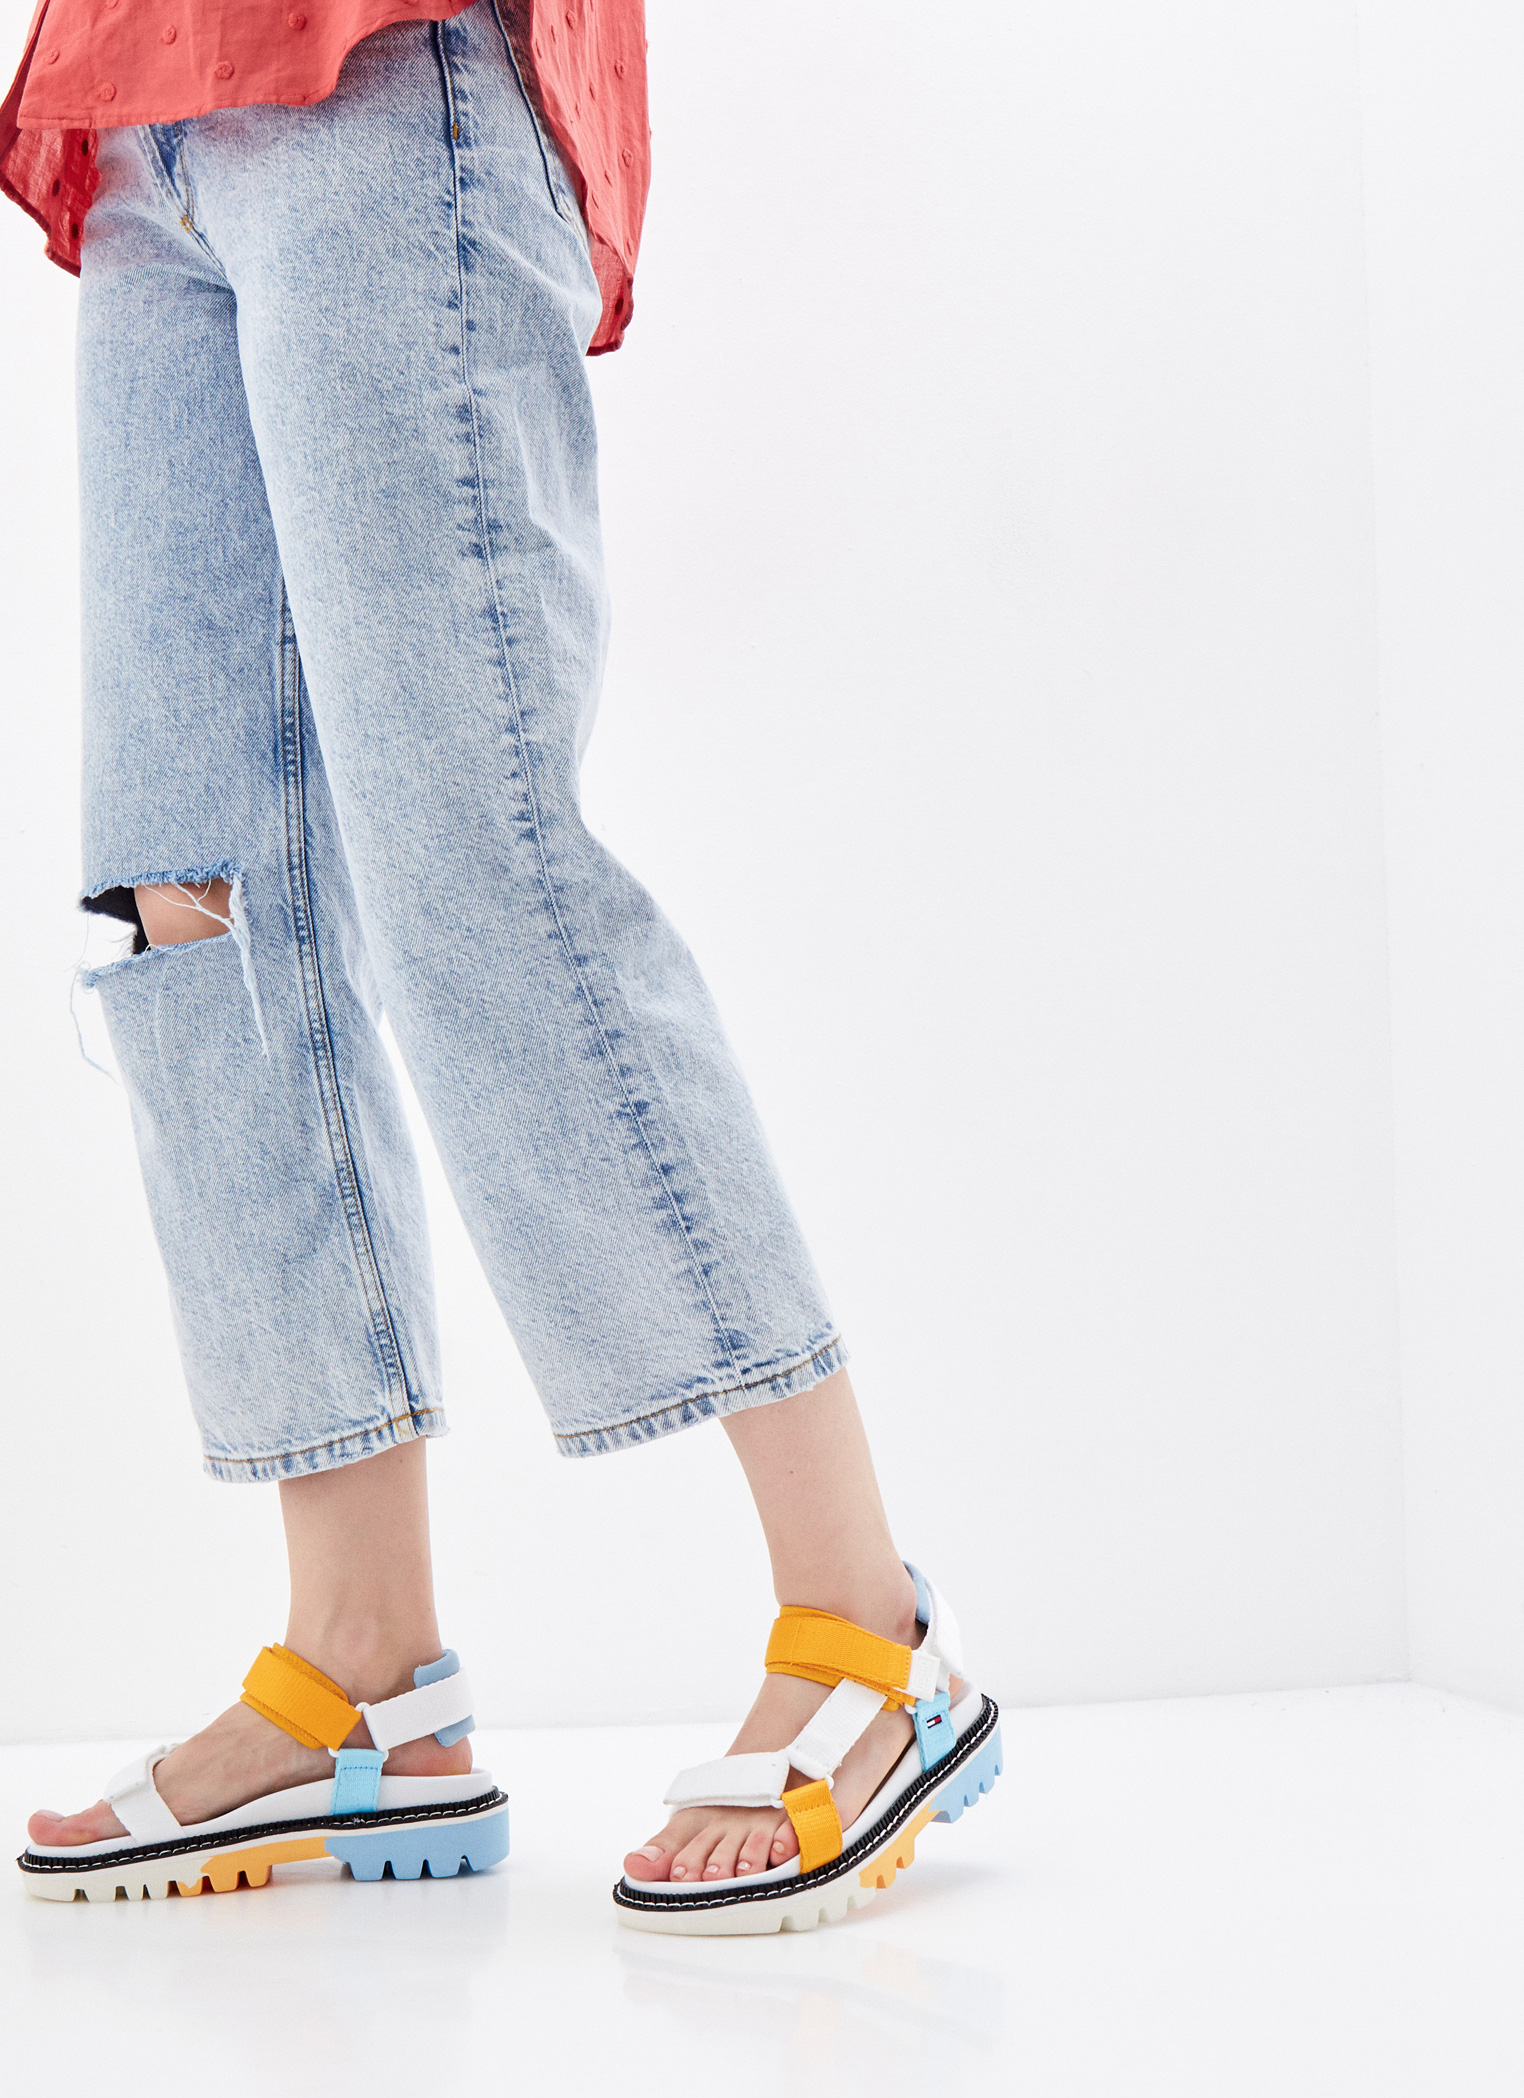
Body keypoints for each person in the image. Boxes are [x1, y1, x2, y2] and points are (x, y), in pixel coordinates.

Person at [6, 0, 1000, 1928]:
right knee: (195, 909)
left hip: (384, 73)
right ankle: (364, 1670)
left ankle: (871, 1627)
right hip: (136, 118)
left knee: (480, 855)